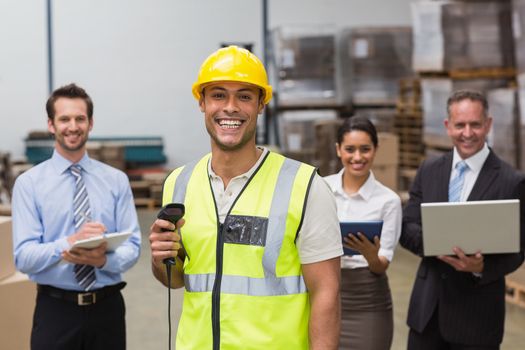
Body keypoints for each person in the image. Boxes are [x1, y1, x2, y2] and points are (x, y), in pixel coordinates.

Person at [148, 45, 343, 349]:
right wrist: (161, 259)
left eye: (244, 96)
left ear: (261, 104)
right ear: (202, 102)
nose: (230, 107)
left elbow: (326, 294)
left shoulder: (305, 186)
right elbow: (175, 280)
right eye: (218, 95)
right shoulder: (179, 183)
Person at [12, 83, 141, 350]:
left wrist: (103, 259)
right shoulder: (29, 184)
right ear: (51, 125)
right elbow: (23, 258)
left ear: (90, 123)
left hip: (108, 310)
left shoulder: (116, 181)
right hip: (55, 311)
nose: (73, 126)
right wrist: (69, 243)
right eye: (64, 119)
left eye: (80, 118)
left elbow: (134, 246)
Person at [400, 90, 525, 349]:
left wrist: (480, 267)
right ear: (448, 126)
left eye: (475, 124)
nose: (467, 133)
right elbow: (407, 226)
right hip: (427, 315)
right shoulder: (429, 170)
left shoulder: (511, 181)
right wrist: (438, 242)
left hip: (476, 319)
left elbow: (518, 250)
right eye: (460, 125)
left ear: (488, 125)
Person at [324, 117, 402, 349]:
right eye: (350, 149)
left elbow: (380, 266)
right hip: (326, 292)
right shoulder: (321, 189)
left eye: (365, 149)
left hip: (368, 299)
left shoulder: (389, 201)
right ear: (338, 150)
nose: (357, 157)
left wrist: (370, 254)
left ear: (375, 150)